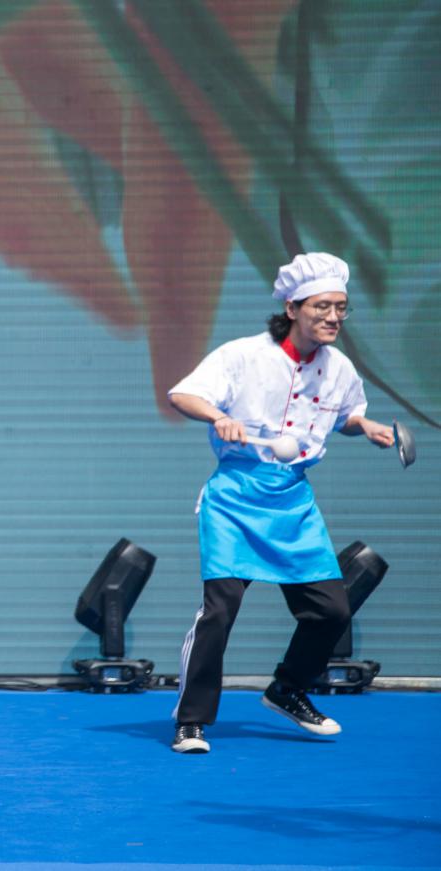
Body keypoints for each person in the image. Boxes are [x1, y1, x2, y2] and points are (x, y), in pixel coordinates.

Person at [167, 252, 394, 754]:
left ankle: (287, 689)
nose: (333, 317)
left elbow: (345, 416)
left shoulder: (339, 369)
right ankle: (191, 721)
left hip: (292, 501)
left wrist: (365, 426)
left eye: (340, 308)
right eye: (322, 307)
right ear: (292, 308)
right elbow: (183, 395)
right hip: (235, 498)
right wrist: (218, 417)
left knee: (331, 611)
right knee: (219, 611)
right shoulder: (243, 355)